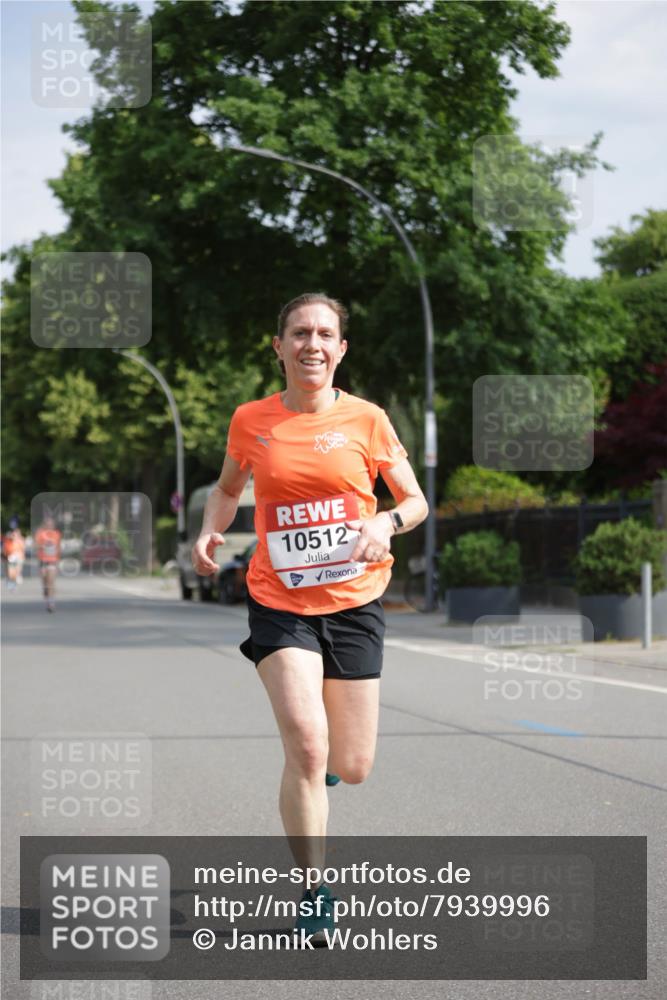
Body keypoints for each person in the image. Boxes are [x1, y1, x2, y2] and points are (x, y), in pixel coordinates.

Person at [192, 292, 428, 943]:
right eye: (299, 333)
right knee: (305, 739)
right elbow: (226, 487)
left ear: (341, 348)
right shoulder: (251, 420)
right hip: (279, 600)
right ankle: (314, 889)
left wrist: (384, 520)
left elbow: (415, 502)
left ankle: (323, 772)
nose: (312, 344)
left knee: (350, 765)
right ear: (278, 346)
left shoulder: (368, 420)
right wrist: (210, 531)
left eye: (325, 333)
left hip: (354, 604)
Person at [34, 515, 62, 612]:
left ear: (53, 525)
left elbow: (58, 548)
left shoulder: (57, 534)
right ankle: (46, 594)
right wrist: (44, 547)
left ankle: (51, 603)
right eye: (48, 524)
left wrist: (58, 562)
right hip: (42, 561)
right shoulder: (40, 533)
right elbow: (36, 546)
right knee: (45, 583)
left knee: (51, 582)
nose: (50, 525)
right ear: (45, 525)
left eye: (51, 524)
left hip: (52, 561)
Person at [3, 519, 26, 589]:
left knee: (17, 569)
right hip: (11, 556)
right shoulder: (8, 538)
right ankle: (11, 582)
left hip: (19, 556)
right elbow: (5, 547)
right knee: (10, 571)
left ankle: (17, 576)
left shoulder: (21, 539)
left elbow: (23, 548)